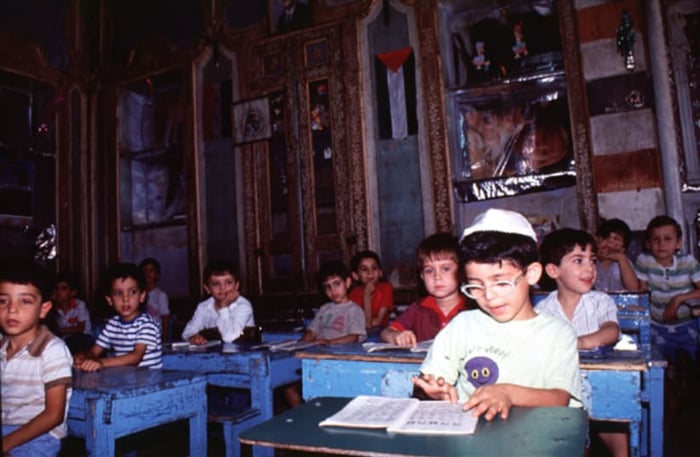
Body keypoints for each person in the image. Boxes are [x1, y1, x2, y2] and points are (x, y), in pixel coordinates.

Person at [413, 208, 581, 422]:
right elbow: (429, 381)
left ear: (531, 274)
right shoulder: (463, 325)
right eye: (475, 286)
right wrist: (431, 392)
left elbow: (559, 398)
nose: (489, 296)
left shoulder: (557, 333)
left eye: (501, 283)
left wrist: (507, 393)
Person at [536, 228, 625, 457]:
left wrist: (579, 342)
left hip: (601, 385)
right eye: (578, 260)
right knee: (570, 438)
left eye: (592, 261)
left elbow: (611, 330)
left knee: (619, 433)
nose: (589, 268)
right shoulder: (543, 310)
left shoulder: (599, 301)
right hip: (562, 388)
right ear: (553, 270)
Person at [1, 262, 73, 456]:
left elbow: (54, 415)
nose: (12, 310)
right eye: (3, 301)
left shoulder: (53, 350)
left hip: (39, 437)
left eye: (25, 301)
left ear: (43, 309)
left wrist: (4, 444)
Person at [285, 260, 367, 407]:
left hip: (340, 359)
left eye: (337, 284)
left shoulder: (354, 310)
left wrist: (329, 343)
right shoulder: (324, 309)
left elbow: (353, 337)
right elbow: (311, 332)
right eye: (328, 287)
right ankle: (302, 417)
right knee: (288, 386)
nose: (333, 291)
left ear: (347, 283)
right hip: (317, 355)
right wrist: (296, 347)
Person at [380, 233, 468, 346]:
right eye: (429, 271)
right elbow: (385, 333)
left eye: (445, 269)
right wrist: (396, 336)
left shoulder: (472, 308)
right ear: (422, 276)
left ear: (462, 271)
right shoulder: (418, 309)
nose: (437, 277)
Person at [634, 215, 700, 362]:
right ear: (648, 244)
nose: (661, 244)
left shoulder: (687, 262)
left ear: (678, 243)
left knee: (691, 363)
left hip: (687, 324)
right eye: (656, 239)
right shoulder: (644, 261)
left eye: (668, 239)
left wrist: (679, 299)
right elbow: (643, 293)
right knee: (660, 365)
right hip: (657, 325)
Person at [74, 263, 162, 371]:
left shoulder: (146, 324)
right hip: (126, 380)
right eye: (118, 293)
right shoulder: (112, 324)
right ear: (109, 300)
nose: (125, 299)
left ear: (142, 296)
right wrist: (85, 358)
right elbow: (94, 351)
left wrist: (101, 362)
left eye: (132, 292)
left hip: (151, 382)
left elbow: (136, 357)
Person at [182, 259, 255, 344]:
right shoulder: (204, 307)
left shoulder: (243, 306)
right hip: (214, 354)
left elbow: (229, 337)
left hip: (244, 353)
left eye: (228, 282)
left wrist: (223, 306)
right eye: (216, 283)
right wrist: (193, 337)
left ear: (236, 286)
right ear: (207, 289)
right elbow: (187, 332)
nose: (222, 288)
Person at [349, 250, 394, 329]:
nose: (370, 272)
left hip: (380, 331)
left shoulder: (386, 288)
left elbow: (377, 322)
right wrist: (366, 294)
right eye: (364, 269)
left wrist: (366, 295)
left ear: (380, 272)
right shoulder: (354, 294)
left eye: (374, 268)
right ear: (355, 275)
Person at [51, 271, 94, 353]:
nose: (58, 292)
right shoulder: (54, 308)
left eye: (64, 288)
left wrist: (59, 330)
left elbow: (80, 328)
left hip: (84, 337)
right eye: (56, 288)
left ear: (73, 293)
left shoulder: (79, 305)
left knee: (74, 342)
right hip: (65, 338)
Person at [595, 218, 639, 291]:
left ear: (623, 249)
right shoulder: (591, 261)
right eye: (606, 237)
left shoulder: (623, 263)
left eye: (616, 239)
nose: (610, 241)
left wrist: (621, 257)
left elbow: (633, 288)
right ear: (597, 240)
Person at [139, 257, 170, 341]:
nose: (147, 273)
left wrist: (165, 339)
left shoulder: (161, 295)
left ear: (157, 275)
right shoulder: (137, 295)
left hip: (155, 337)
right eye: (145, 270)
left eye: (151, 270)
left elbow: (165, 319)